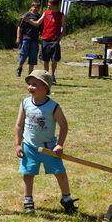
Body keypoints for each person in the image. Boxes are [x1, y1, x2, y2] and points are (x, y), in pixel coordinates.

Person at [14, 69, 78, 214]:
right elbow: (19, 125)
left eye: (34, 84)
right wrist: (18, 144)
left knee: (60, 173)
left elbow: (63, 125)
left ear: (45, 87)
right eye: (29, 84)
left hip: (49, 148)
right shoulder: (25, 103)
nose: (30, 87)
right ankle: (28, 201)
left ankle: (66, 199)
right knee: (28, 174)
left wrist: (59, 144)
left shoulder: (53, 106)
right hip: (29, 147)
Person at [23, 0, 65, 80]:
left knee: (54, 60)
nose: (48, 6)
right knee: (46, 60)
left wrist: (59, 38)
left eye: (50, 4)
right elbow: (37, 23)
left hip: (55, 40)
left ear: (55, 5)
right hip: (45, 39)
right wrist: (28, 20)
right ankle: (47, 76)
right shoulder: (45, 13)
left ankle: (53, 75)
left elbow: (64, 28)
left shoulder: (61, 15)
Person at [15, 1, 41, 77]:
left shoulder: (39, 17)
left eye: (37, 7)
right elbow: (19, 27)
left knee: (33, 56)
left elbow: (41, 28)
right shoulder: (27, 15)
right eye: (34, 7)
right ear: (31, 7)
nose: (35, 8)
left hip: (35, 39)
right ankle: (19, 68)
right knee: (23, 55)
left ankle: (30, 73)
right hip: (26, 38)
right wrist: (18, 37)